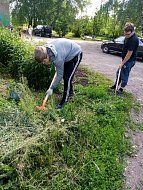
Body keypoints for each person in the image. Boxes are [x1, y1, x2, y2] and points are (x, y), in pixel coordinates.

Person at [35, 38, 83, 109]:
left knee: (67, 78)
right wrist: (51, 87)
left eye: (43, 62)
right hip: (66, 53)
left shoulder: (57, 58)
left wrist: (51, 88)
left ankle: (64, 101)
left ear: (47, 57)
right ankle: (70, 92)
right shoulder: (45, 50)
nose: (43, 64)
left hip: (75, 54)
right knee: (66, 76)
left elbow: (59, 74)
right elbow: (58, 72)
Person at [110, 22, 139, 95]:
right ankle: (115, 85)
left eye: (128, 34)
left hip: (129, 61)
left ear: (132, 32)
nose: (126, 36)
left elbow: (129, 54)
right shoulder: (127, 37)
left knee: (124, 75)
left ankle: (120, 90)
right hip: (125, 59)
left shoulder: (134, 40)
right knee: (118, 72)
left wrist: (122, 63)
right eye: (125, 34)